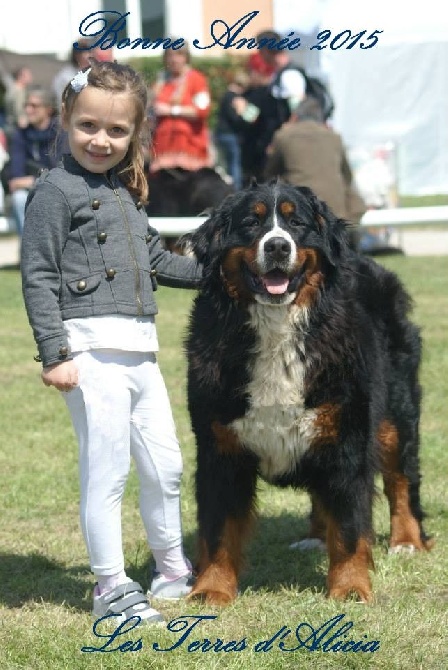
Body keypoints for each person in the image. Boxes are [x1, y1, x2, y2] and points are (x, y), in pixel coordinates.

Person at [21, 60, 203, 624]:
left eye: (117, 130)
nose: (101, 140)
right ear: (66, 120)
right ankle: (109, 586)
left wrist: (220, 273)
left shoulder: (127, 188)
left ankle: (172, 567)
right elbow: (40, 274)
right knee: (107, 471)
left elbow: (151, 258)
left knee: (166, 466)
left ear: (136, 133)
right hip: (88, 348)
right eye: (88, 126)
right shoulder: (54, 191)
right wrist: (55, 354)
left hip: (140, 350)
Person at [264, 96, 366, 250]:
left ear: (295, 116)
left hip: (300, 212)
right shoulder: (334, 137)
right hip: (337, 212)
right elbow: (347, 176)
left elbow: (270, 174)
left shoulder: (284, 136)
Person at [149, 41, 211, 172]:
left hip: (190, 150)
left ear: (186, 57)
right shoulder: (161, 81)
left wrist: (171, 110)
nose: (174, 59)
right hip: (163, 150)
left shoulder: (196, 79)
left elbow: (202, 111)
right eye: (170, 55)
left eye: (178, 55)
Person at [8, 86, 62, 236]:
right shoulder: (21, 135)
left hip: (57, 191)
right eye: (26, 105)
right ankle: (28, 253)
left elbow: (60, 173)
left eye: (34, 106)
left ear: (48, 109)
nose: (28, 109)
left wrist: (32, 180)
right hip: (30, 191)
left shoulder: (60, 133)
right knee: (19, 199)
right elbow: (15, 175)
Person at [214, 70, 252, 189]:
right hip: (230, 135)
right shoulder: (235, 98)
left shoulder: (225, 95)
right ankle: (236, 190)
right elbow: (236, 119)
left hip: (220, 134)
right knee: (234, 164)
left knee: (222, 164)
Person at [52, 39, 114, 104]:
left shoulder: (97, 72)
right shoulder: (66, 77)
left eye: (91, 52)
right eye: (86, 52)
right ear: (77, 55)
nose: (90, 55)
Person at [4, 66, 33, 134]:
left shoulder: (12, 88)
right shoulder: (19, 91)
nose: (31, 77)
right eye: (28, 75)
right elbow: (19, 111)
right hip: (16, 126)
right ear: (21, 76)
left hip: (9, 124)